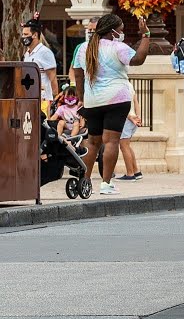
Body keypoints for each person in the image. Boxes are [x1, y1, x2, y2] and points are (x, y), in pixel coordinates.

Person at [71, 13, 150, 195]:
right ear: (112, 31)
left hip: (92, 101)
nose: (121, 34)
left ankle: (85, 180)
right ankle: (106, 184)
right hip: (117, 100)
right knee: (111, 142)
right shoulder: (118, 47)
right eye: (120, 30)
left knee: (92, 142)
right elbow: (138, 59)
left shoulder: (83, 48)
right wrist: (145, 35)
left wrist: (82, 98)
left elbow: (78, 75)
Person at [21, 17, 58, 110]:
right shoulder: (26, 54)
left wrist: (55, 99)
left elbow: (52, 78)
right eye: (22, 34)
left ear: (35, 35)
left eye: (26, 34)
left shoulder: (45, 52)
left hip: (43, 99)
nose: (23, 37)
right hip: (29, 98)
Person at [115, 97, 144, 182]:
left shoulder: (120, 87)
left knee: (124, 146)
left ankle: (130, 174)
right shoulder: (130, 86)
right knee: (127, 146)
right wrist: (138, 117)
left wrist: (130, 117)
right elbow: (136, 102)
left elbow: (121, 106)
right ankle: (136, 171)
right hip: (133, 118)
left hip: (127, 119)